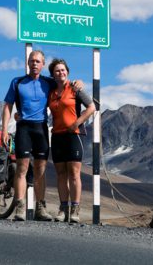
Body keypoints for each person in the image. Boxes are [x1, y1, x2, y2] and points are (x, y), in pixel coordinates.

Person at [2, 50, 83, 221]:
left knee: (40, 170)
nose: (34, 64)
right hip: (23, 128)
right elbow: (8, 106)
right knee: (22, 169)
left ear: (43, 64)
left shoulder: (49, 82)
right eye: (32, 61)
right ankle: (20, 208)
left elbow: (65, 83)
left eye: (38, 61)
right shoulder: (17, 82)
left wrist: (79, 83)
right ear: (27, 63)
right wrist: (4, 129)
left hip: (41, 129)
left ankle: (40, 208)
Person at [47, 58, 96, 223]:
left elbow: (92, 107)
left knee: (74, 174)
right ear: (53, 75)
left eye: (63, 70)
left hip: (74, 136)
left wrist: (77, 123)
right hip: (57, 136)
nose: (61, 73)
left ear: (67, 72)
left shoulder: (75, 88)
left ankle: (75, 209)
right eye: (57, 71)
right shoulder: (51, 92)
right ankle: (63, 209)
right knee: (61, 174)